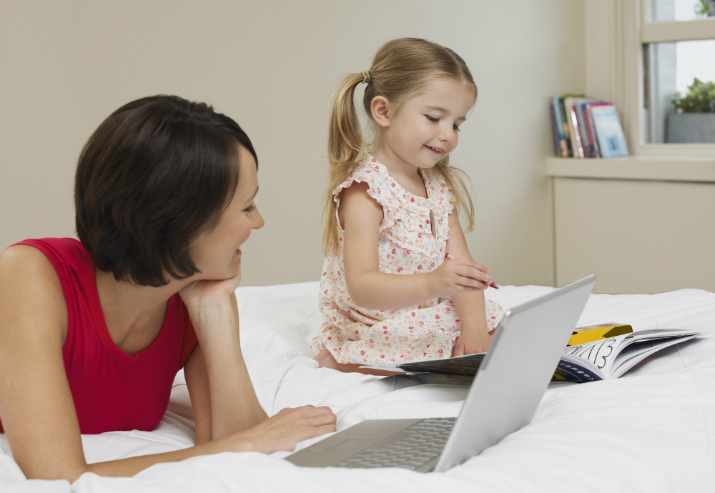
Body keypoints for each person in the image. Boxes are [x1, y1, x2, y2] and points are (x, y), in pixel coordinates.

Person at [0, 95, 336, 481]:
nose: (258, 222)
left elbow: (246, 441)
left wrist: (216, 313)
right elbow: (55, 475)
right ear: (182, 223)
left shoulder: (189, 300)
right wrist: (244, 444)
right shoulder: (30, 274)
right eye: (246, 207)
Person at [312, 38, 504, 373]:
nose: (448, 135)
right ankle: (345, 357)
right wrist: (435, 282)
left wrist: (474, 331)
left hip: (426, 305)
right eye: (433, 118)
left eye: (456, 124)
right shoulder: (366, 191)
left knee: (499, 328)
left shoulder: (438, 186)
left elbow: (463, 266)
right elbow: (363, 287)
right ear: (383, 111)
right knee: (421, 352)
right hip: (376, 317)